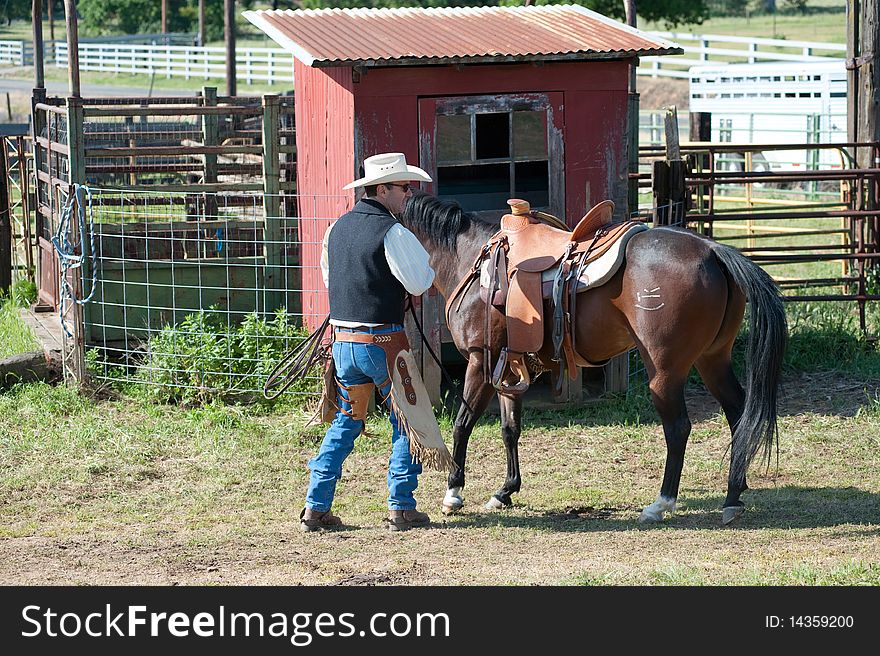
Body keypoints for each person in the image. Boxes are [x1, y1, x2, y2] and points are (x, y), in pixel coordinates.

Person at [300, 152, 452, 533]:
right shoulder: (394, 232)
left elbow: (329, 279)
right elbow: (419, 282)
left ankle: (315, 506)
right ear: (382, 189)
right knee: (409, 421)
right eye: (403, 187)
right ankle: (401, 505)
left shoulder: (337, 228)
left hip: (343, 344)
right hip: (382, 345)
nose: (407, 194)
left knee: (347, 421)